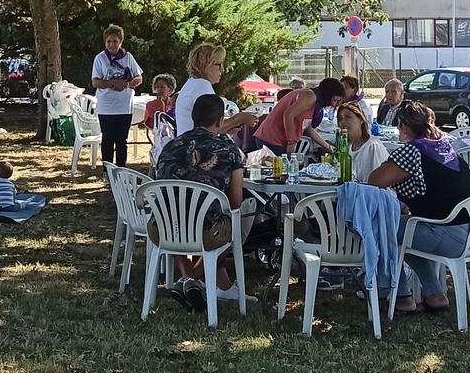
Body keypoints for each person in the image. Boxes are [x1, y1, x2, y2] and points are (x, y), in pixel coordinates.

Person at [364, 100, 470, 313]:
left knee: (384, 226)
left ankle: (402, 297)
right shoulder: (443, 146)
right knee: (404, 232)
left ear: (404, 128)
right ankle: (435, 294)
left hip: (447, 234)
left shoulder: (413, 151)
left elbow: (374, 180)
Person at [151, 92, 248, 307]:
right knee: (238, 220)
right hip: (205, 231)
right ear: (221, 120)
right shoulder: (230, 151)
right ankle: (192, 279)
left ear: (194, 118)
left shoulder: (170, 146)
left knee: (176, 215)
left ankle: (187, 280)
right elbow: (235, 201)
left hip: (164, 227)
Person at [89, 26, 144, 168]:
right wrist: (112, 84)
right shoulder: (100, 58)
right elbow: (95, 81)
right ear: (105, 42)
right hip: (106, 106)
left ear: (121, 42)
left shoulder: (128, 57)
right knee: (107, 139)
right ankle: (107, 170)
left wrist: (129, 83)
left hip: (124, 106)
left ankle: (121, 169)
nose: (112, 45)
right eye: (109, 42)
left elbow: (138, 77)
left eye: (115, 41)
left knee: (121, 140)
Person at [256, 77, 345, 154]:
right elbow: (288, 115)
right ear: (328, 95)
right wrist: (291, 141)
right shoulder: (310, 96)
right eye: (335, 100)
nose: (334, 105)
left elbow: (308, 128)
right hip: (272, 139)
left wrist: (328, 147)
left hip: (275, 140)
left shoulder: (313, 100)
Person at [336, 102, 389, 179]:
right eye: (340, 119)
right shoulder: (349, 148)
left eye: (348, 117)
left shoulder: (373, 147)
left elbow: (378, 183)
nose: (342, 122)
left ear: (361, 119)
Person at [143, 74, 179, 163]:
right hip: (160, 138)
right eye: (157, 87)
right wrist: (161, 108)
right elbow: (153, 125)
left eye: (162, 87)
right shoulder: (150, 105)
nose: (159, 90)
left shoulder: (175, 103)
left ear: (170, 89)